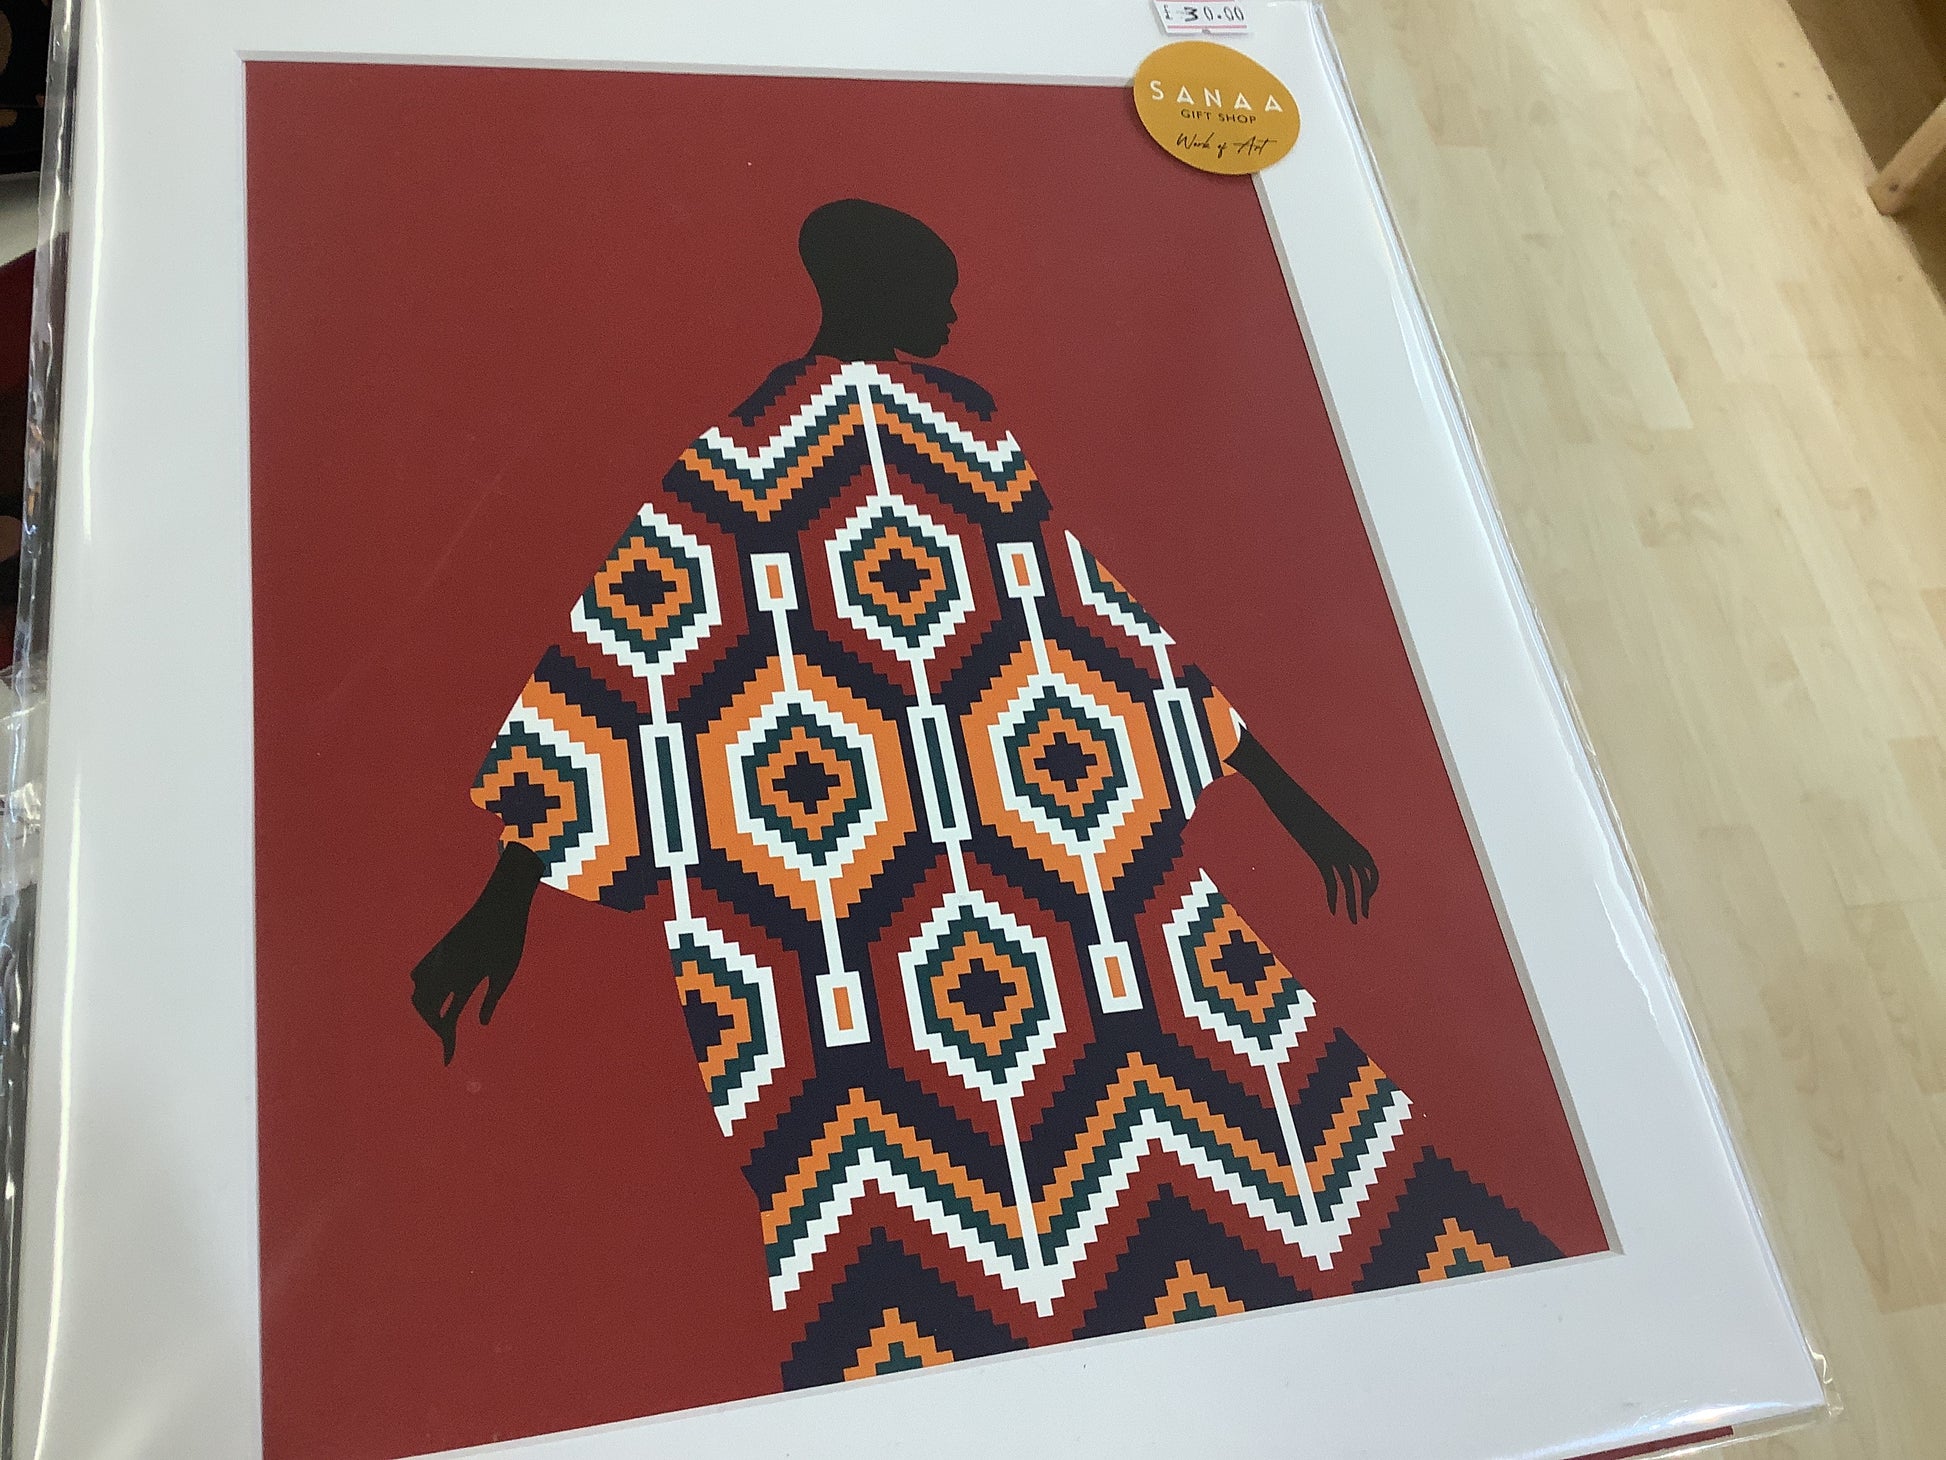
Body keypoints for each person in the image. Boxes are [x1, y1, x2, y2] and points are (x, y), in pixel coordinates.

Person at [411, 199, 1557, 1386]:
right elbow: (626, 658)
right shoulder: (741, 456)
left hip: (1068, 878)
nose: (955, 311)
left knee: (1256, 1122)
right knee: (895, 1221)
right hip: (844, 922)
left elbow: (1090, 617)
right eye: (936, 287)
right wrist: (503, 896)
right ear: (870, 288)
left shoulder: (971, 435)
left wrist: (1279, 790)